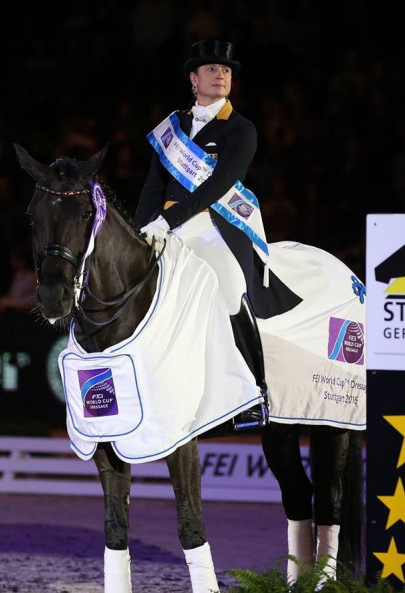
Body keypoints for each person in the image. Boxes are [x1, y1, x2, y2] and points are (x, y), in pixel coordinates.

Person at [134, 40, 301, 432]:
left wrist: (169, 221)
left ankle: (253, 393)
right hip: (165, 227)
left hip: (214, 227)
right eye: (212, 69)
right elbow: (152, 185)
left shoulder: (240, 129)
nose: (221, 75)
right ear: (194, 79)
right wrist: (143, 227)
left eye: (226, 71)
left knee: (229, 286)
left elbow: (222, 183)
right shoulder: (171, 128)